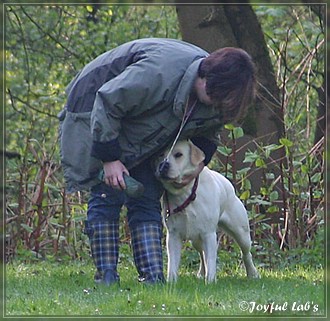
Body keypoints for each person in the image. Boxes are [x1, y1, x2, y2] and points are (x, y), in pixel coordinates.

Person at [58, 38, 256, 286]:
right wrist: (109, 159)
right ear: (204, 78)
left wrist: (195, 168)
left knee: (147, 194)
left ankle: (152, 278)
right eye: (215, 98)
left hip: (146, 127)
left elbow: (208, 133)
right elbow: (108, 102)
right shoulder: (158, 74)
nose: (216, 105)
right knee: (108, 194)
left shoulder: (219, 90)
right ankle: (106, 278)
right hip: (93, 106)